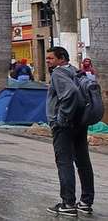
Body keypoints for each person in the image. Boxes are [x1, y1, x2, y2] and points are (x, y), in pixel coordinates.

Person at [45, 46, 94, 217]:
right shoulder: (75, 71)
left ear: (61, 59)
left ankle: (68, 203)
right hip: (80, 123)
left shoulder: (58, 73)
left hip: (65, 126)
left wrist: (61, 118)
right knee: (83, 162)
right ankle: (86, 202)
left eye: (50, 58)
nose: (48, 61)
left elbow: (71, 93)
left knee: (64, 162)